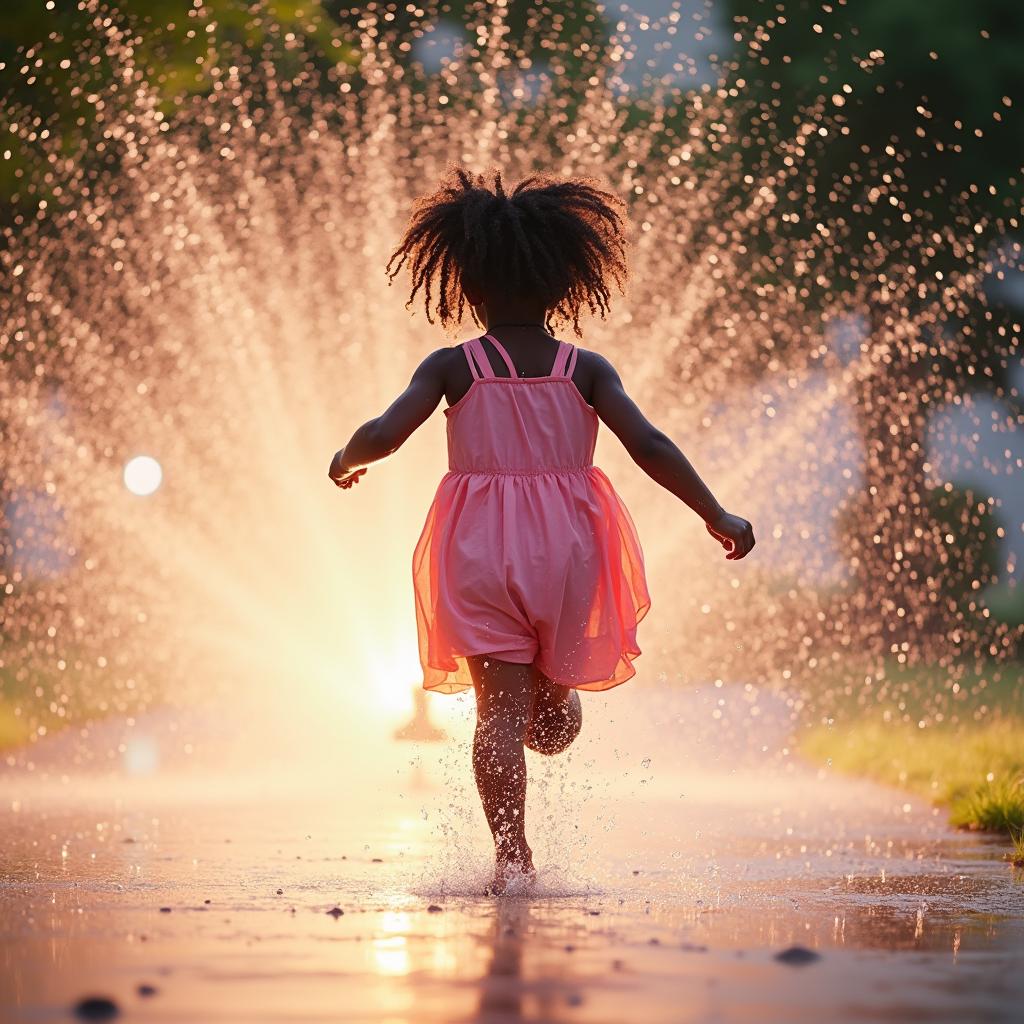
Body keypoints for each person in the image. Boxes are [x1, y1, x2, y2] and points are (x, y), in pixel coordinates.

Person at [329, 166, 755, 893]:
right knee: (551, 727)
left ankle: (512, 856)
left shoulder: (452, 366)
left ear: (465, 285)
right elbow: (648, 445)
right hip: (568, 551)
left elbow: (386, 431)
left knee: (498, 714)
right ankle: (555, 691)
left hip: (475, 551)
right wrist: (714, 511)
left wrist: (346, 456)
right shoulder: (584, 368)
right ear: (565, 285)